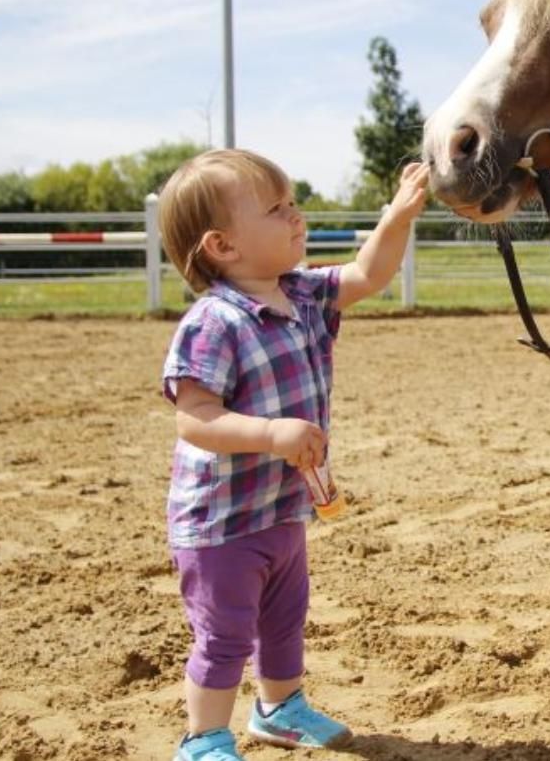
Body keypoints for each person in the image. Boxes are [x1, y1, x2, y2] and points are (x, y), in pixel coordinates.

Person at [154, 149, 428, 760]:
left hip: (280, 511)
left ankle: (279, 708)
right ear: (223, 246)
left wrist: (399, 215)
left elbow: (367, 274)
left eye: (292, 202)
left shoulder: (301, 294)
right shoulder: (213, 322)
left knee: (283, 620)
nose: (295, 216)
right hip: (221, 523)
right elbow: (194, 417)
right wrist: (271, 434)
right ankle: (203, 740)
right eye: (277, 209)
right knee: (223, 635)